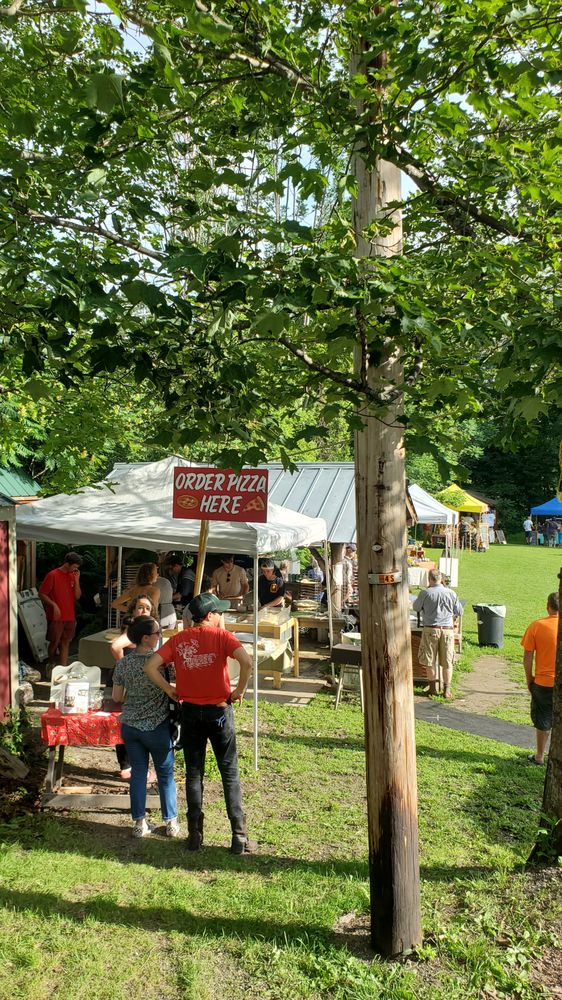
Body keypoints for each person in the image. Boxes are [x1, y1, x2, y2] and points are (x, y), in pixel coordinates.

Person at [144, 592, 254, 854]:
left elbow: (150, 667)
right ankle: (238, 836)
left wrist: (170, 690)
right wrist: (239, 691)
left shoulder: (179, 640)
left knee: (194, 773)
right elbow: (247, 661)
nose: (221, 616)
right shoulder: (222, 637)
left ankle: (195, 835)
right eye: (219, 613)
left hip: (191, 712)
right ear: (209, 616)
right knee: (230, 773)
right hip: (219, 712)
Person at [112, 616, 179, 838]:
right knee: (165, 774)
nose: (160, 637)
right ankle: (171, 822)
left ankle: (139, 823)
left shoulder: (123, 663)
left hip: (130, 726)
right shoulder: (162, 663)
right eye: (157, 633)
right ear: (146, 638)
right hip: (157, 726)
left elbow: (117, 696)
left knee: (138, 774)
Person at [413, 569, 463, 700]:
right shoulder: (451, 593)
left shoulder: (425, 593)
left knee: (430, 661)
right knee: (447, 662)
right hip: (447, 630)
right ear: (441, 579)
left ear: (429, 579)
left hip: (430, 629)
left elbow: (416, 607)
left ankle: (433, 688)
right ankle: (447, 689)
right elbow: (459, 610)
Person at [521, 592, 559, 765]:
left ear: (548, 606)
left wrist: (529, 679)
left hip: (543, 682)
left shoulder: (537, 626)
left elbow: (527, 658)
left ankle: (539, 755)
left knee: (543, 719)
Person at [39, 551, 83, 667]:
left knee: (66, 643)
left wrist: (77, 580)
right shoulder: (53, 575)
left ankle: (63, 668)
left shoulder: (73, 575)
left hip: (70, 616)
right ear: (67, 564)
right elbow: (42, 593)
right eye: (74, 567)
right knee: (54, 642)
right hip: (55, 616)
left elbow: (77, 596)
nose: (75, 569)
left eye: (76, 568)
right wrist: (53, 605)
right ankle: (51, 663)